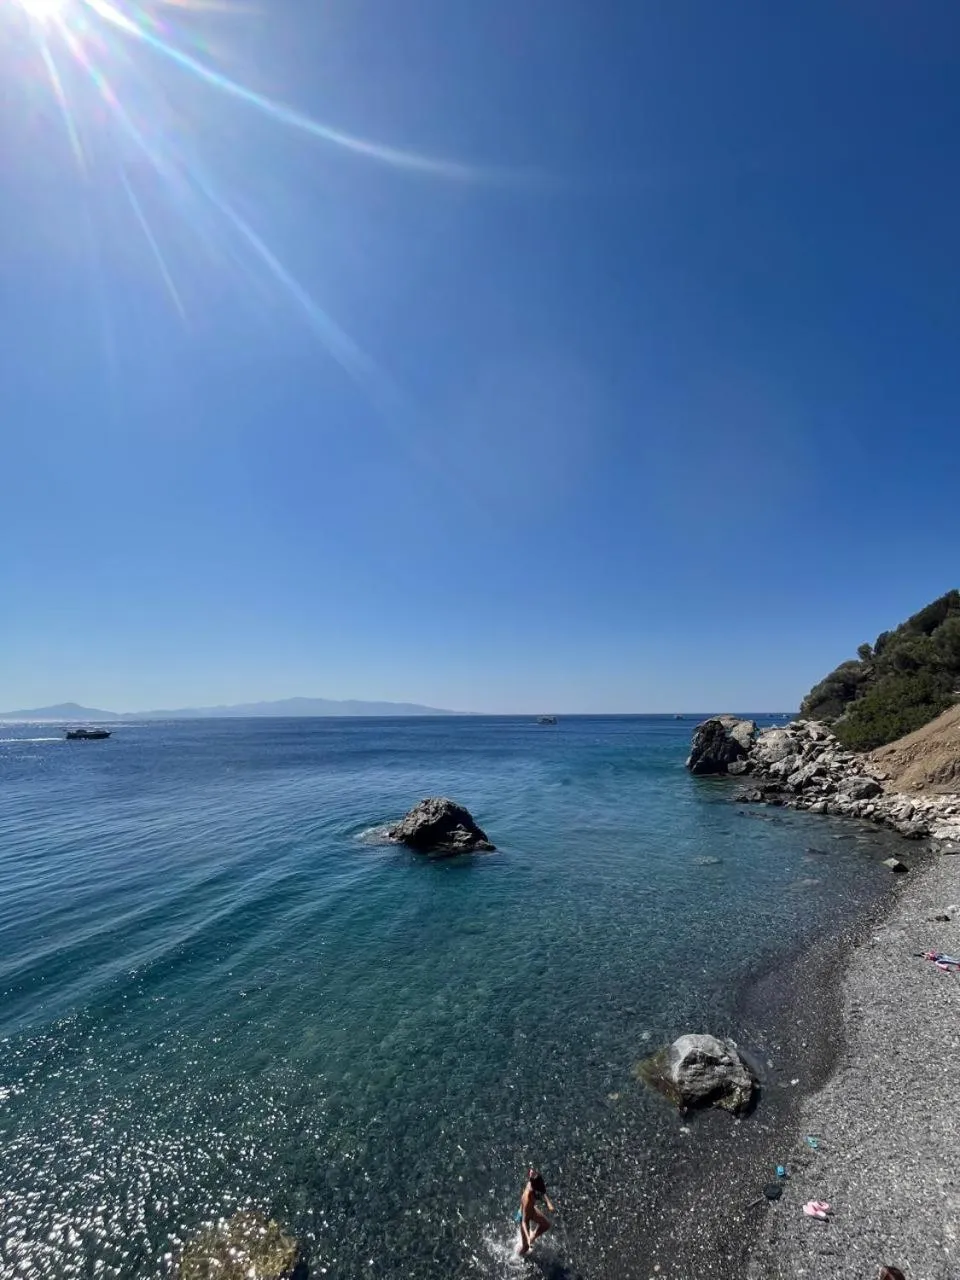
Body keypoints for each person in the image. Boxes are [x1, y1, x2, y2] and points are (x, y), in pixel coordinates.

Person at [517, 1168, 554, 1255]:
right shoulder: (527, 1200)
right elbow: (524, 1222)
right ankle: (517, 1255)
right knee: (526, 1247)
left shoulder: (532, 1182)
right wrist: (527, 1237)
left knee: (546, 1225)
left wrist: (548, 1203)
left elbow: (542, 1191)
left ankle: (532, 1236)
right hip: (524, 1215)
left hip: (532, 1210)